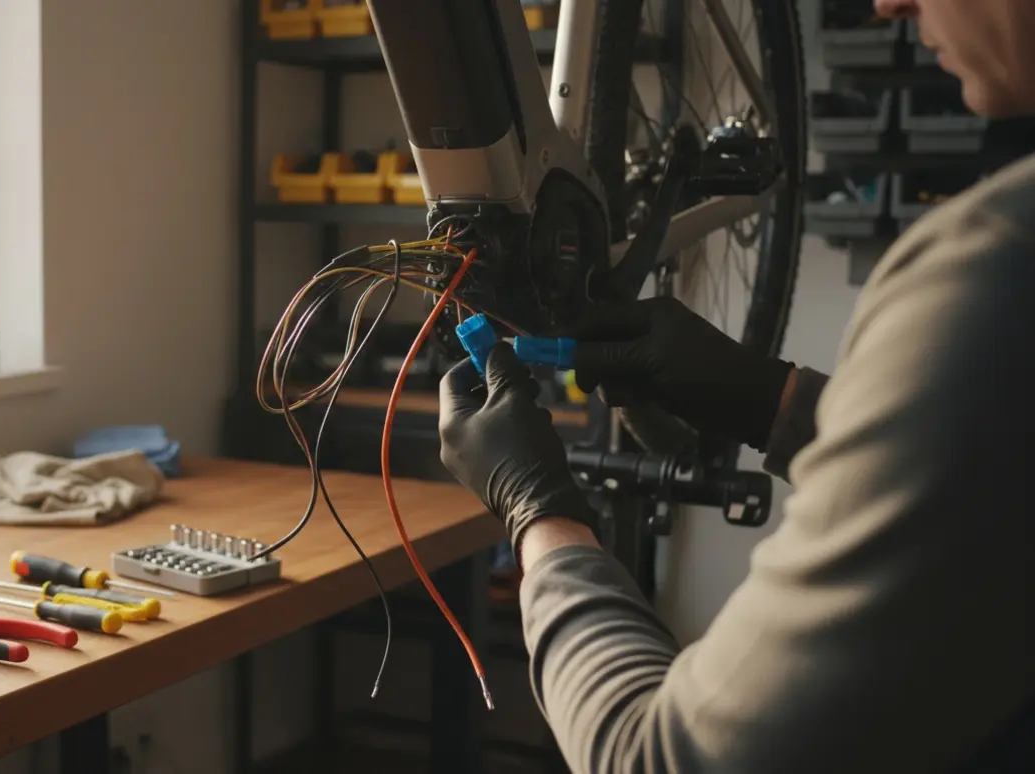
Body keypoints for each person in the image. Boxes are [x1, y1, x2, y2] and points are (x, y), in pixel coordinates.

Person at [435, 1, 1035, 772]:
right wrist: (774, 401)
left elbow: (653, 759)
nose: (888, 3)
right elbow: (991, 477)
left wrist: (538, 513)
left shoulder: (998, 277)